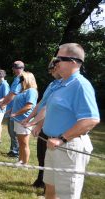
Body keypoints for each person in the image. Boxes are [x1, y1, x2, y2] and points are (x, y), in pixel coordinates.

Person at [42, 43, 100, 199]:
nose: (55, 62)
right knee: (50, 189)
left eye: (59, 59)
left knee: (67, 195)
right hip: (53, 145)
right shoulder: (61, 84)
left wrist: (61, 139)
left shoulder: (80, 85)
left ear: (74, 61)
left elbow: (91, 120)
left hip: (68, 147)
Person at [21, 62, 62, 188]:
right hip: (43, 124)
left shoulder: (62, 86)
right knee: (41, 155)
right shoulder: (52, 84)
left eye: (52, 69)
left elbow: (49, 108)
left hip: (50, 125)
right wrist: (28, 118)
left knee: (50, 158)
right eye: (50, 70)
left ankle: (47, 186)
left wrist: (38, 125)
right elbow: (41, 104)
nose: (50, 72)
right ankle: (40, 180)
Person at [0, 61, 25, 158]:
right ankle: (13, 150)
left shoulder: (21, 78)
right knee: (11, 132)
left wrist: (3, 103)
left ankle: (16, 153)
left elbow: (13, 94)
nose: (13, 69)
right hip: (12, 109)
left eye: (15, 68)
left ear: (20, 68)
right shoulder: (16, 78)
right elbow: (10, 94)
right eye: (13, 68)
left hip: (17, 110)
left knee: (15, 133)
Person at [9, 71, 38, 165]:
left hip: (24, 120)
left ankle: (24, 164)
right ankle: (20, 161)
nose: (21, 81)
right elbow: (19, 104)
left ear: (28, 79)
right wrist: (11, 111)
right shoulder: (23, 90)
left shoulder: (31, 91)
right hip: (18, 120)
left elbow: (29, 106)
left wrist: (16, 113)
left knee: (24, 143)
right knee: (20, 142)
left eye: (22, 79)